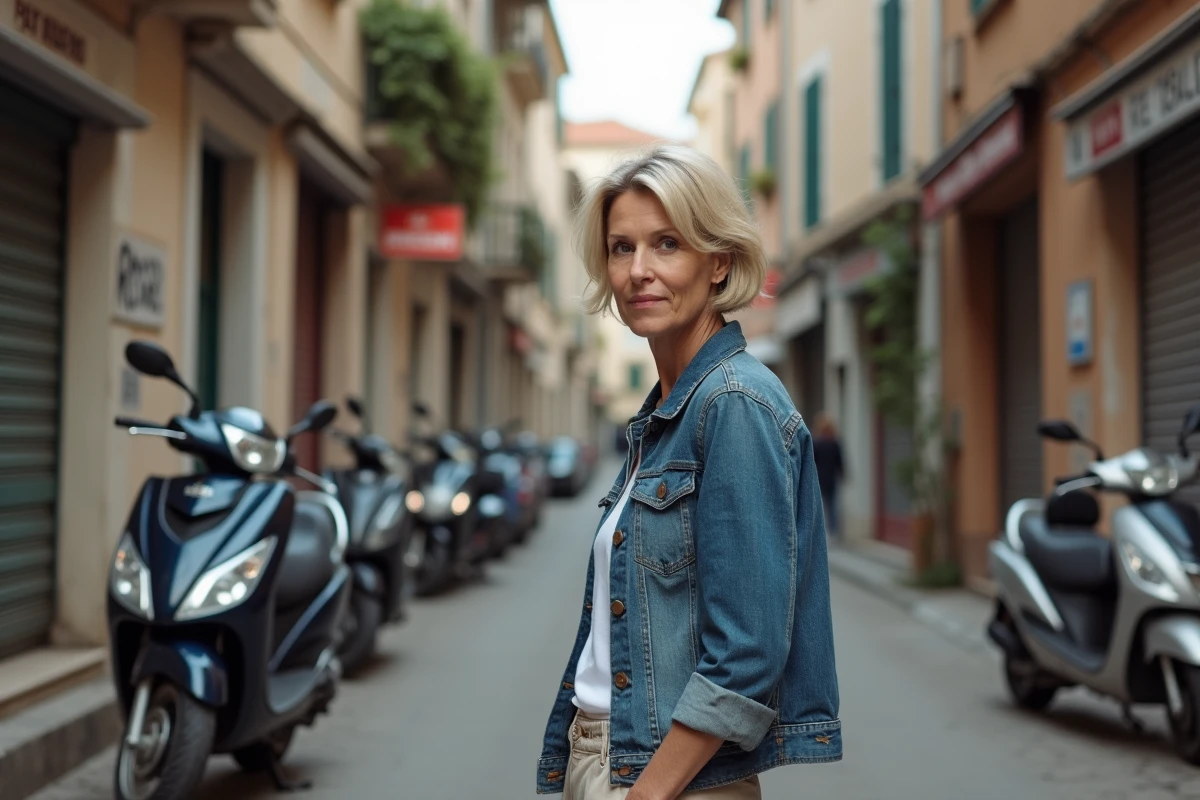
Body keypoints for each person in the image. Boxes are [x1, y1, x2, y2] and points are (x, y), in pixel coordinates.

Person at [536, 145, 841, 800]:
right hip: (610, 757)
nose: (639, 271)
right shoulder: (668, 415)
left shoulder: (732, 404)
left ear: (717, 262)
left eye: (667, 244)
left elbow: (747, 653)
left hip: (667, 782)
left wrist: (646, 794)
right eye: (622, 248)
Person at [811, 414, 845, 540]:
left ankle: (822, 531)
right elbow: (840, 462)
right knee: (832, 506)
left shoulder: (817, 443)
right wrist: (842, 475)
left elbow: (812, 461)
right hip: (831, 479)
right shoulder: (834, 443)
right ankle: (832, 532)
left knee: (819, 506)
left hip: (819, 478)